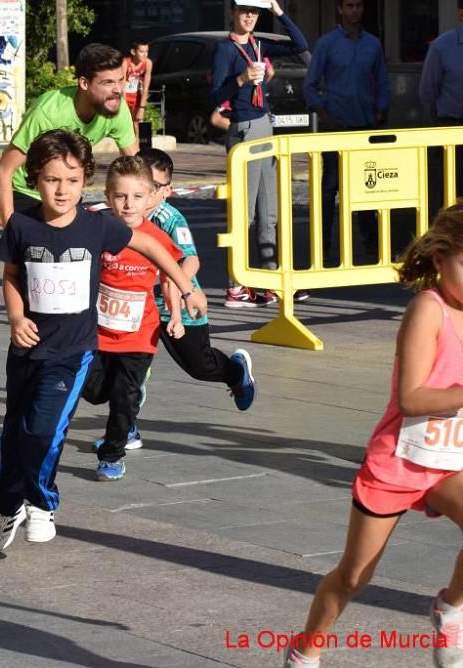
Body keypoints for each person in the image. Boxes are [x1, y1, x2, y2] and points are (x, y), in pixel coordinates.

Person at [0, 129, 207, 553]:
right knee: (14, 435)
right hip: (25, 351)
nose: (61, 189)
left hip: (72, 353)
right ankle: (5, 506)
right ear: (33, 179)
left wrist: (187, 287)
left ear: (85, 179)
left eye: (70, 180)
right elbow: (11, 276)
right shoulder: (22, 224)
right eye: (51, 179)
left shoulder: (97, 225)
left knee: (44, 429)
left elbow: (158, 250)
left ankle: (42, 503)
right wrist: (15, 316)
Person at [283, 203, 463, 668]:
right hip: (401, 459)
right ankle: (305, 652)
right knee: (354, 576)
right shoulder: (430, 309)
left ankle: (451, 609)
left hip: (452, 462)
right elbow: (412, 399)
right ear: (441, 259)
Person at [80, 156, 183, 482]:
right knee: (94, 391)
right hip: (99, 331)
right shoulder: (97, 231)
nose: (128, 205)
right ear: (108, 197)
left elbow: (169, 277)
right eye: (121, 196)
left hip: (141, 332)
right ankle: (120, 413)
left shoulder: (158, 238)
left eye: (137, 197)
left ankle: (112, 454)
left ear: (151, 197)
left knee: (124, 397)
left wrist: (176, 314)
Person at [139, 148, 256, 412]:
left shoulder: (170, 220)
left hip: (176, 305)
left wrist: (184, 288)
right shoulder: (124, 212)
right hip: (139, 305)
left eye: (154, 187)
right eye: (140, 183)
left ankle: (236, 373)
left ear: (167, 190)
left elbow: (191, 260)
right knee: (130, 370)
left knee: (200, 366)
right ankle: (125, 429)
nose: (144, 193)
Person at [210, 0, 308, 307]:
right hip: (245, 127)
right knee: (246, 211)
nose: (250, 16)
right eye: (244, 10)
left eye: (255, 11)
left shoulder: (259, 44)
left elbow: (299, 44)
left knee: (269, 212)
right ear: (233, 12)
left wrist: (277, 10)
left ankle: (269, 281)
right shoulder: (226, 50)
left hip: (265, 124)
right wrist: (240, 80)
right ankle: (236, 285)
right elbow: (213, 94)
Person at [0, 43, 136, 226]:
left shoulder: (117, 107)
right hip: (29, 192)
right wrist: (9, 226)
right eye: (108, 82)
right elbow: (4, 172)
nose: (118, 89)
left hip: (68, 191)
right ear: (84, 83)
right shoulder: (47, 113)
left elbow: (134, 167)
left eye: (121, 80)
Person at [304, 0, 389, 262]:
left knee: (367, 187)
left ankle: (371, 242)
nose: (355, 11)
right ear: (340, 10)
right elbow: (310, 85)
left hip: (364, 126)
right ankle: (323, 245)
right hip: (335, 127)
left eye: (359, 6)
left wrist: (380, 109)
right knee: (330, 188)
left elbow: (383, 82)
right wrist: (324, 115)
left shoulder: (373, 44)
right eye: (350, 6)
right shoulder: (327, 44)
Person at [420, 1, 463, 218]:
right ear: (461, 12)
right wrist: (439, 124)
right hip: (451, 130)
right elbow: (428, 91)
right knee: (451, 196)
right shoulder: (442, 47)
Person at [123, 40, 152, 153]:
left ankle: (138, 151)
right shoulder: (125, 63)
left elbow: (145, 87)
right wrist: (124, 105)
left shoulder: (148, 63)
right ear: (133, 51)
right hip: (124, 95)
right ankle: (126, 152)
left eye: (147, 51)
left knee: (137, 122)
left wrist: (142, 108)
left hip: (136, 95)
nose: (145, 54)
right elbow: (121, 86)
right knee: (126, 124)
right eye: (141, 51)